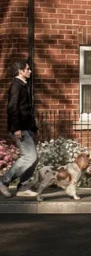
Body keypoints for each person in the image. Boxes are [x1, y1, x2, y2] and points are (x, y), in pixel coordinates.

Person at [1, 60, 38, 198]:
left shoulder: (23, 86)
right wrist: (16, 129)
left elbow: (26, 110)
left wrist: (33, 128)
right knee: (29, 156)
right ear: (20, 71)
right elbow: (12, 108)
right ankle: (4, 181)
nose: (30, 71)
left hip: (27, 128)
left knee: (34, 158)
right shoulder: (16, 86)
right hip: (20, 129)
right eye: (27, 69)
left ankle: (23, 187)